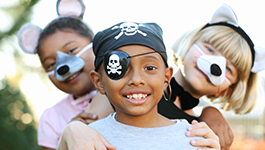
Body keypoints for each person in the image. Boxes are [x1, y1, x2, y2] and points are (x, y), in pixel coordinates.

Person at [57, 4, 265, 150]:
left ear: (228, 90)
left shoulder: (197, 126)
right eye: (210, 49)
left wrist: (210, 113)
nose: (216, 65)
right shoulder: (126, 90)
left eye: (229, 69)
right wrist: (72, 129)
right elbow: (83, 133)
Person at [88, 21, 220, 149]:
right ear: (99, 82)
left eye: (150, 68)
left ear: (166, 78)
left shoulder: (193, 140)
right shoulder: (89, 139)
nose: (136, 79)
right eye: (119, 68)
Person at [17, 0, 113, 149]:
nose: (61, 66)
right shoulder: (51, 119)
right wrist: (68, 135)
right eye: (51, 64)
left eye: (71, 50)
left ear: (96, 44)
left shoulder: (124, 87)